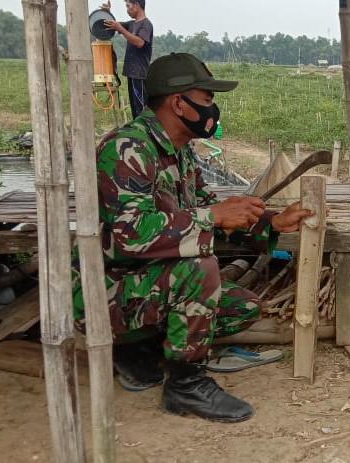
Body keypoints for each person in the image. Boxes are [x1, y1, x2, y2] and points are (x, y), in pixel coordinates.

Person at [72, 53, 313, 423]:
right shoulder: (128, 149)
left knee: (242, 307)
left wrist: (271, 221)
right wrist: (212, 215)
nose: (213, 109)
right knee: (200, 269)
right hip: (103, 291)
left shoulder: (181, 153)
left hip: (148, 282)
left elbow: (208, 214)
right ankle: (185, 385)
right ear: (178, 102)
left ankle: (136, 350)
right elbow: (127, 235)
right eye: (206, 99)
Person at [101, 0, 153, 119]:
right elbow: (114, 25)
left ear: (137, 5)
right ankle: (137, 133)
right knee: (135, 108)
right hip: (132, 73)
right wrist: (108, 14)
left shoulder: (146, 25)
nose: (127, 9)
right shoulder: (132, 24)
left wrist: (122, 30)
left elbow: (140, 42)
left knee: (141, 109)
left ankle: (144, 134)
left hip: (139, 74)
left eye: (128, 6)